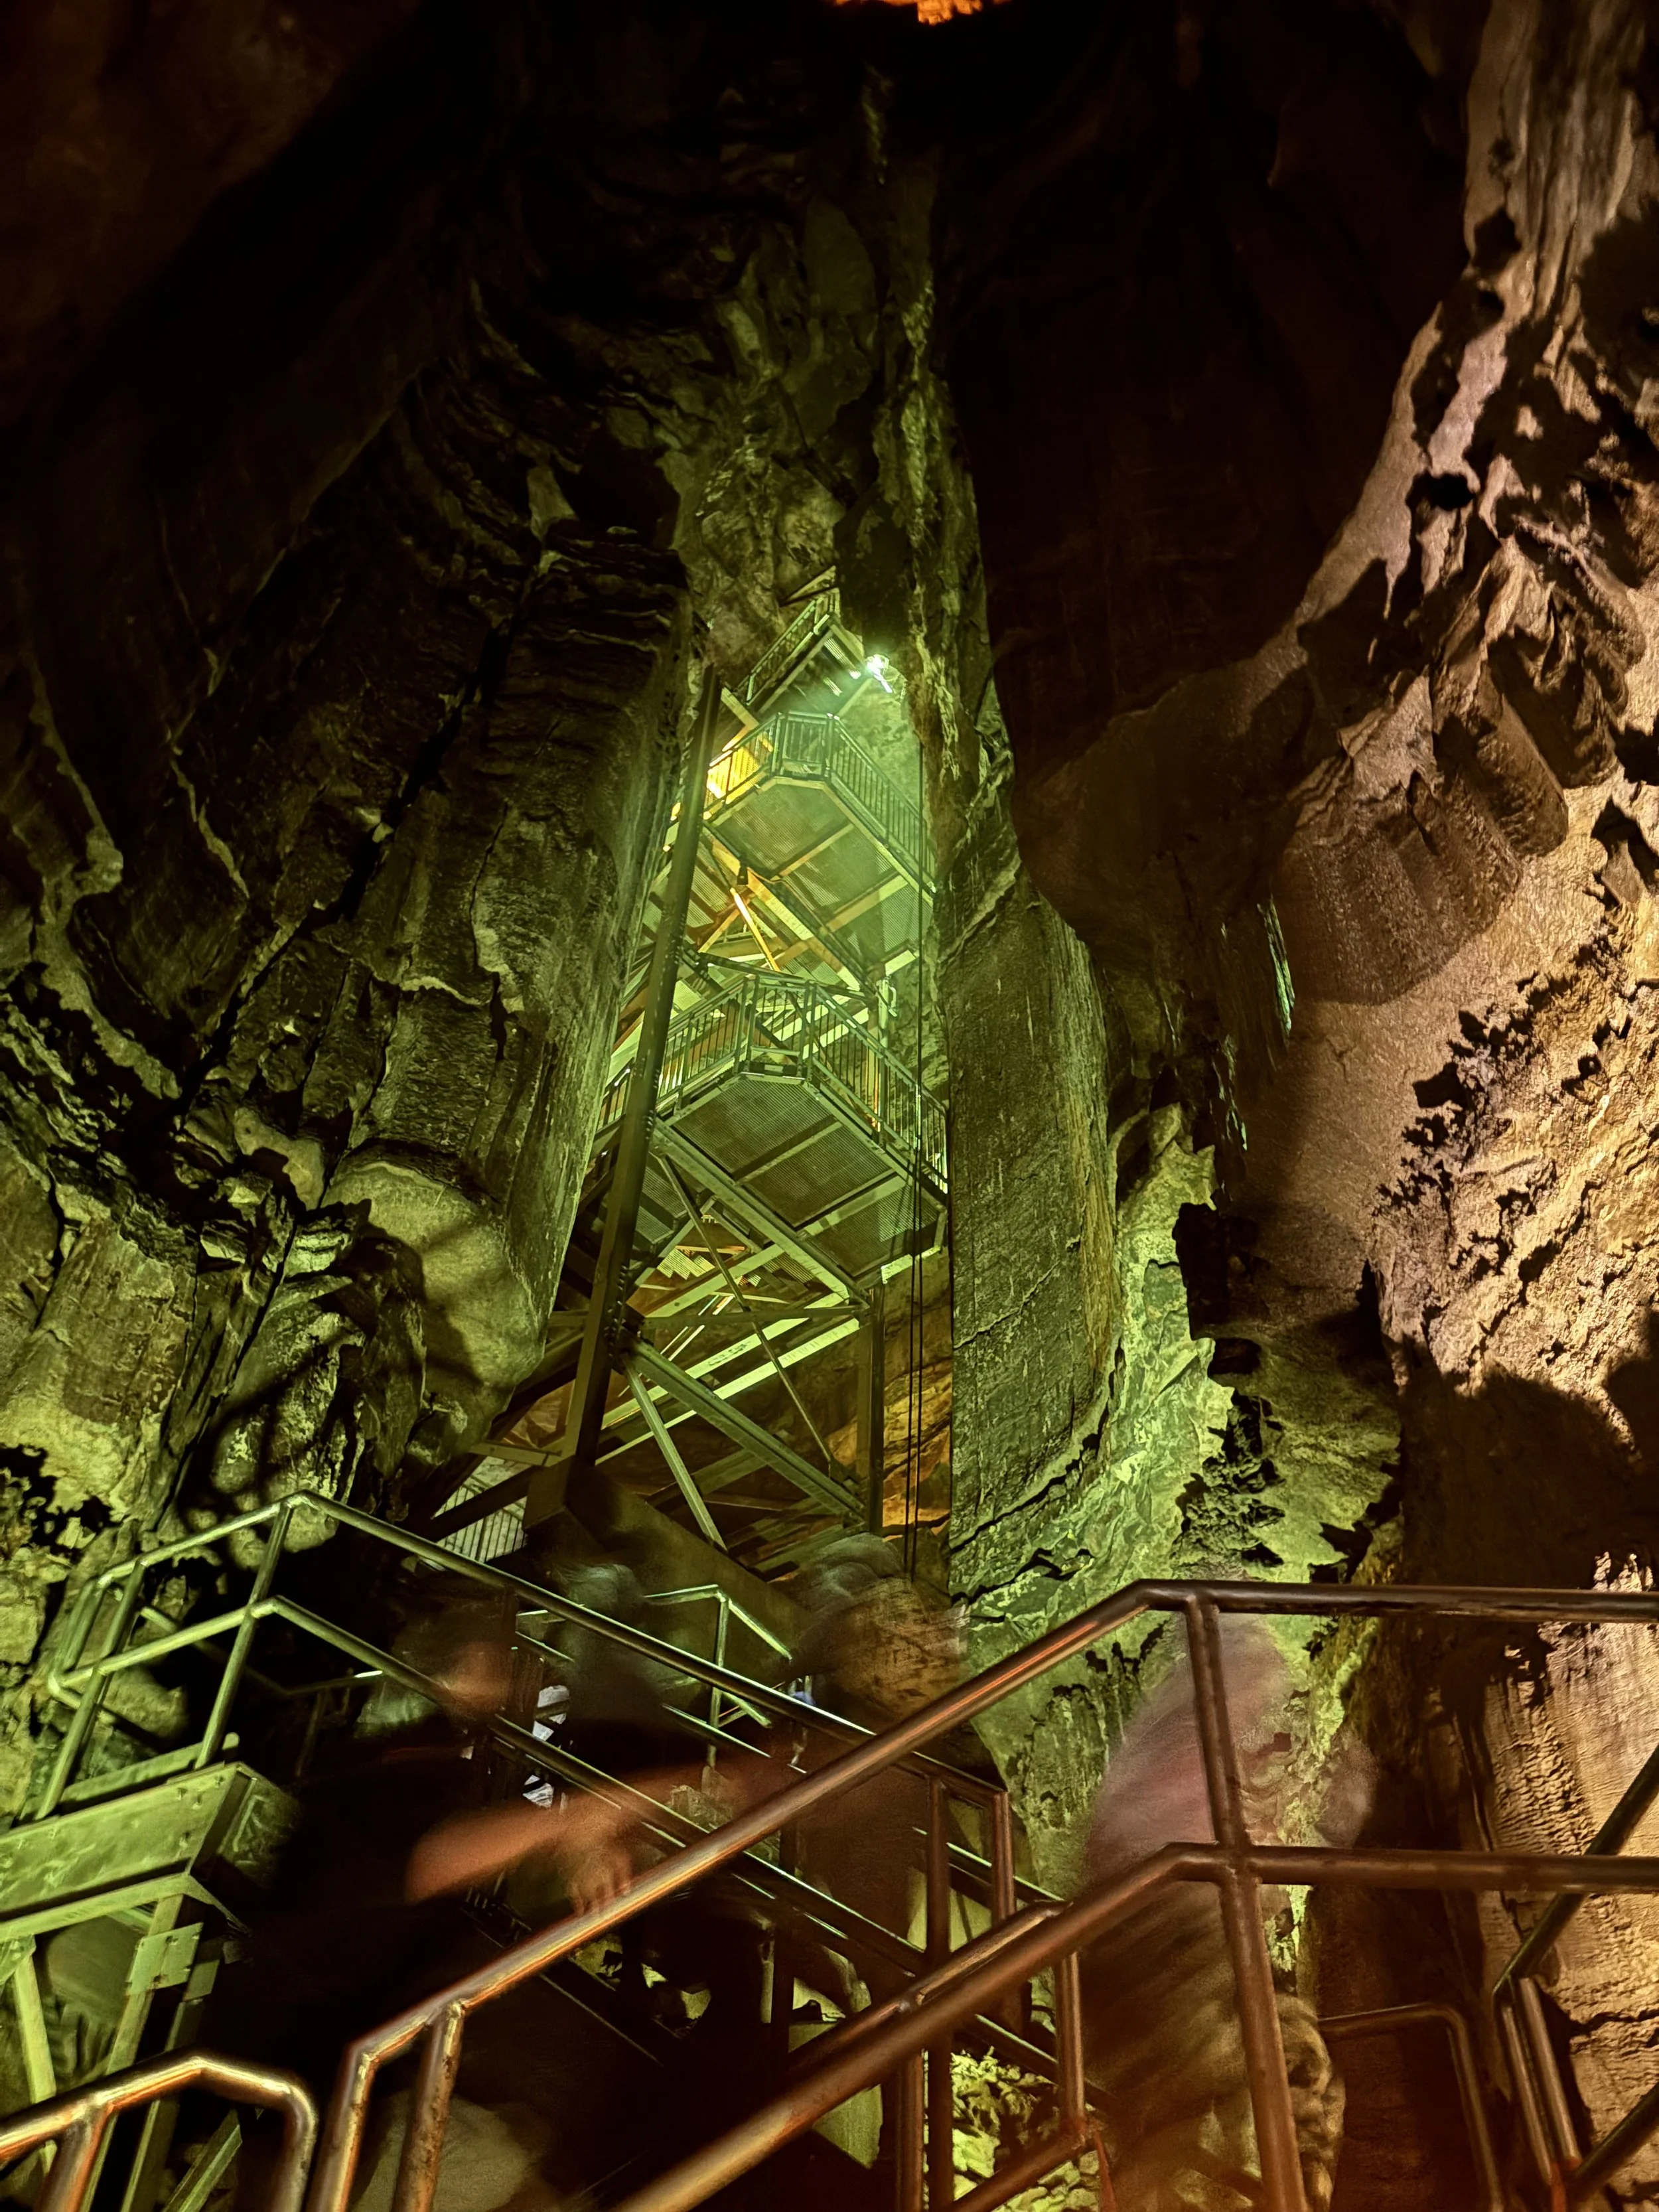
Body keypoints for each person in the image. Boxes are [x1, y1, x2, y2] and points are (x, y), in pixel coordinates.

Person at [1079, 1617, 1363, 2212]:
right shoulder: (1184, 1754)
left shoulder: (1168, 1748)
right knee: (1258, 2089)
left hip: (1156, 1959)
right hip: (1171, 1954)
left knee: (1182, 2117)